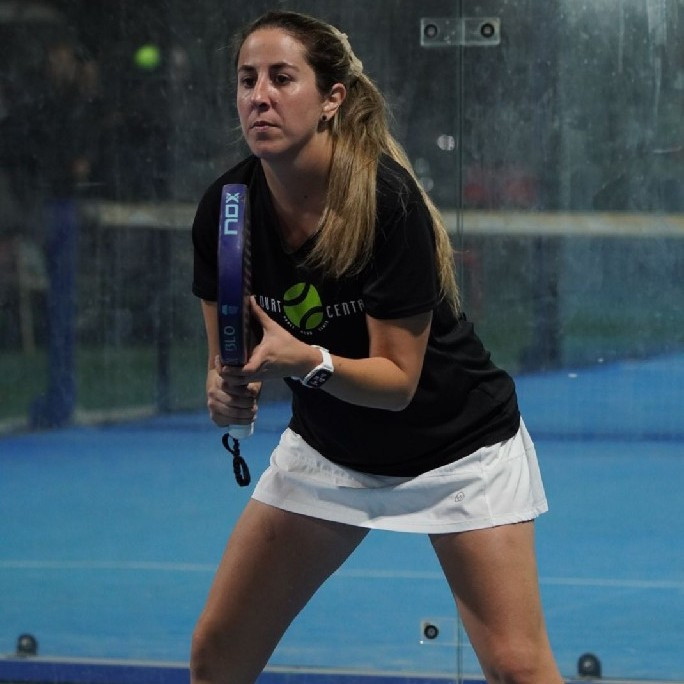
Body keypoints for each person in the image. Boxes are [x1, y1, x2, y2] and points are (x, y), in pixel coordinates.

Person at [190, 10, 563, 684]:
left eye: (282, 78)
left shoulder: (387, 201)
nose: (260, 97)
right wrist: (225, 391)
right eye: (247, 80)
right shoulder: (226, 208)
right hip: (330, 453)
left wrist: (305, 360)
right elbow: (227, 364)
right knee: (217, 657)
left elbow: (397, 383)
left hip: (460, 450)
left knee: (518, 668)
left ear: (331, 98)